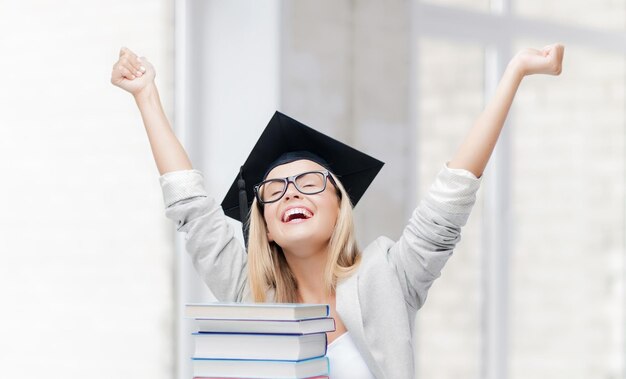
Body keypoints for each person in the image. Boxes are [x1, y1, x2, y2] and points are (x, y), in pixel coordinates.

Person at [111, 43, 564, 379]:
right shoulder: (249, 294)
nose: (291, 193)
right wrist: (146, 95)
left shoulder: (388, 277)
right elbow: (192, 209)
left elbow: (450, 200)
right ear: (264, 225)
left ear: (339, 205)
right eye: (274, 189)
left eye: (310, 183)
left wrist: (515, 73)